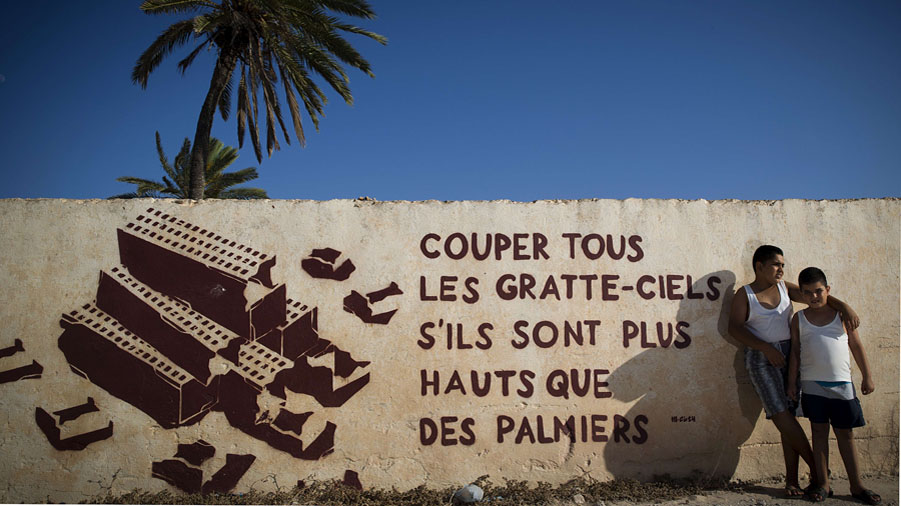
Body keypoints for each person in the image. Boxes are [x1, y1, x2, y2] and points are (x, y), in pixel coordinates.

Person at [728, 245, 859, 498]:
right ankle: (819, 471)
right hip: (761, 357)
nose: (781, 269)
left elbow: (816, 296)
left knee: (790, 415)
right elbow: (734, 328)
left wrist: (844, 306)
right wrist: (765, 348)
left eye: (783, 265)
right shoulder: (745, 295)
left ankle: (791, 480)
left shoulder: (784, 287)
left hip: (792, 355)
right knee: (780, 414)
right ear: (759, 266)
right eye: (776, 264)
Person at [787, 267, 880, 504]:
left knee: (845, 435)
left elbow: (856, 346)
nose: (814, 297)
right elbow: (795, 353)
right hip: (811, 385)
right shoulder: (799, 319)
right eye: (807, 293)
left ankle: (857, 486)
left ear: (827, 290)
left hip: (841, 384)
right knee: (818, 433)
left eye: (818, 291)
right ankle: (823, 485)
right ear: (802, 294)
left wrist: (867, 376)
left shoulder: (841, 316)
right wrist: (791, 383)